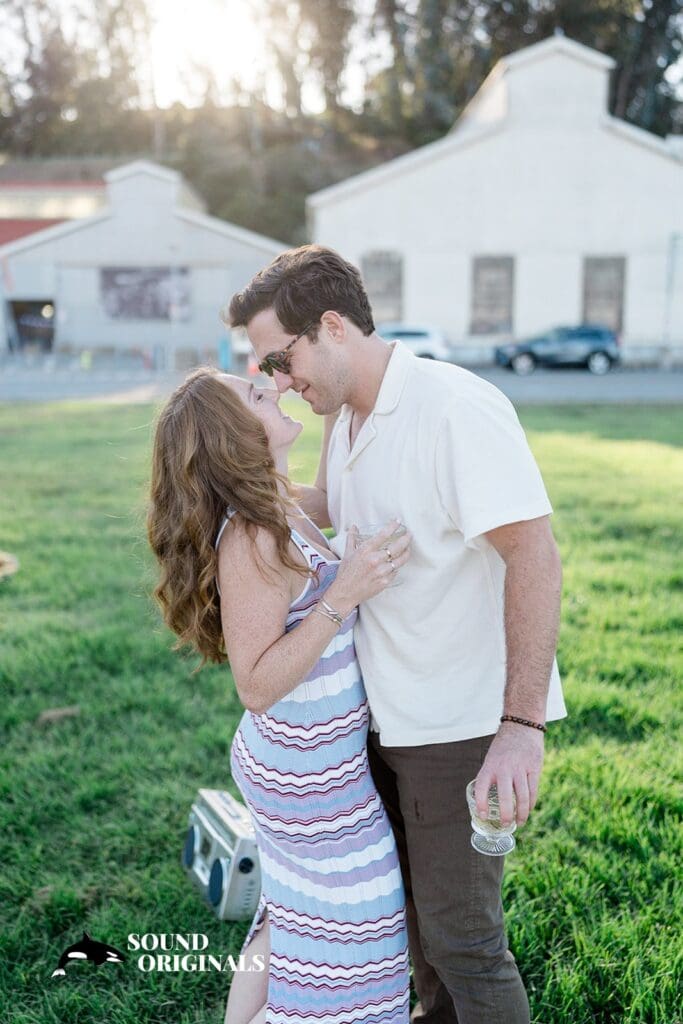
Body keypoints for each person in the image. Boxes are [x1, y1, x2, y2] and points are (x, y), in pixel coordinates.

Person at [226, 244, 568, 1024]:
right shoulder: (346, 420)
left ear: (334, 326)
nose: (278, 380)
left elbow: (534, 555)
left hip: (455, 728)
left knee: (465, 944)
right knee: (417, 939)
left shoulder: (454, 406)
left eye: (281, 358)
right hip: (378, 727)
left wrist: (519, 729)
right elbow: (329, 516)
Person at [147, 367, 411, 1024]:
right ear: (235, 436)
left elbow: (329, 495)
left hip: (307, 763)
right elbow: (255, 685)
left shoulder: (280, 506)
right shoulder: (252, 537)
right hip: (307, 775)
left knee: (292, 919)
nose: (275, 391)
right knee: (360, 933)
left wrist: (333, 401)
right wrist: (340, 597)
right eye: (257, 397)